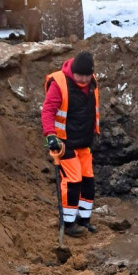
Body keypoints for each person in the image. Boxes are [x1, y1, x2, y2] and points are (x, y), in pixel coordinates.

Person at [42, 51, 99, 238]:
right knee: (73, 181)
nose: (83, 79)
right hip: (64, 143)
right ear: (72, 72)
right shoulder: (59, 83)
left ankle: (84, 220)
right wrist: (50, 136)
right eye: (80, 75)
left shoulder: (92, 82)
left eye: (87, 75)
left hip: (84, 141)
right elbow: (48, 111)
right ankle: (69, 223)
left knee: (88, 180)